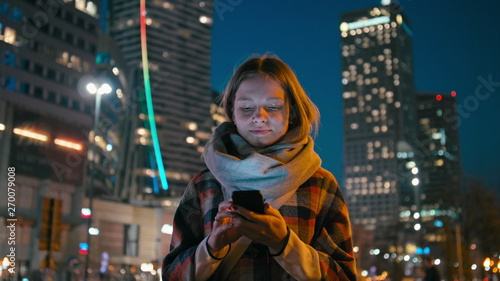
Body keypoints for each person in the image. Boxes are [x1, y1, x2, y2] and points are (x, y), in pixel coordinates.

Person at [162, 54, 357, 281]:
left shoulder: (320, 185)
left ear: (292, 112)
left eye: (273, 106)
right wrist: (212, 247)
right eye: (246, 107)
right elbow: (170, 276)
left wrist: (283, 243)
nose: (259, 117)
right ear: (232, 113)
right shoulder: (203, 184)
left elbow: (344, 276)